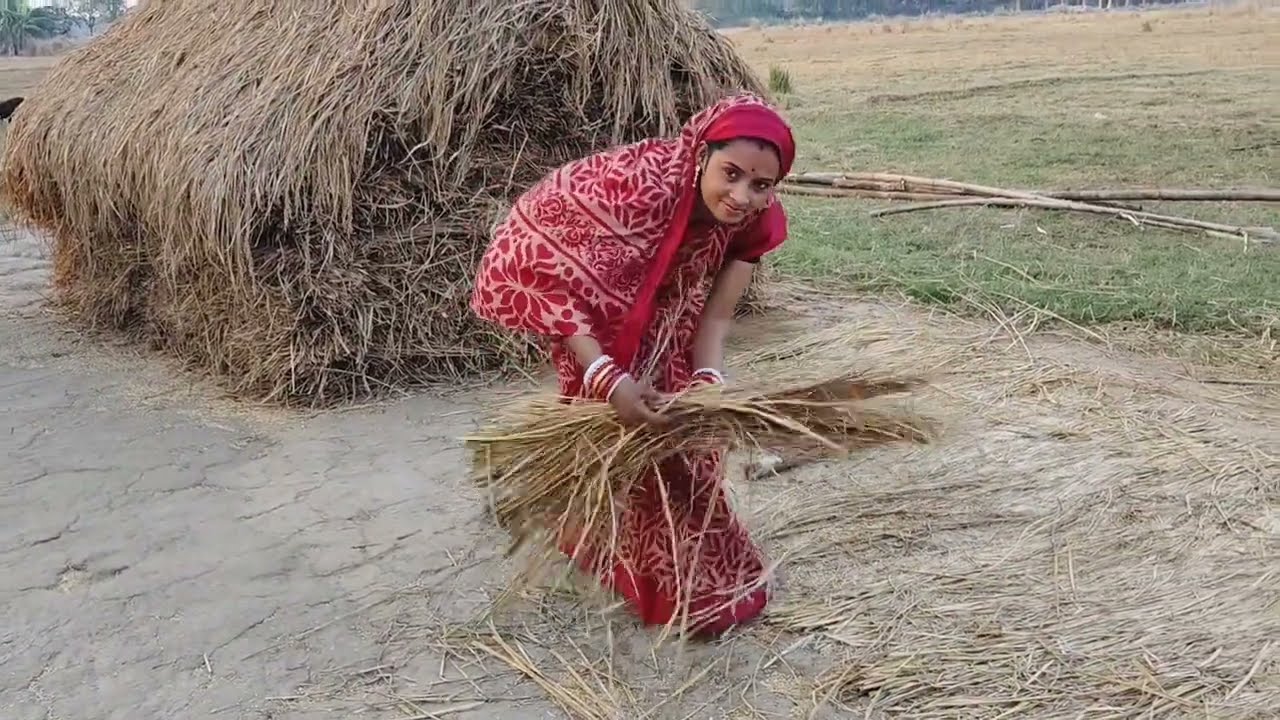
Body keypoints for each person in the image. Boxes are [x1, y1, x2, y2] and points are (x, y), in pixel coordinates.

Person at [470, 93, 796, 637]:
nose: (742, 196)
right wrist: (606, 377)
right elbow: (541, 252)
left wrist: (709, 381)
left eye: (761, 185)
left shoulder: (753, 223)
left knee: (682, 449)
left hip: (673, 329)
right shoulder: (632, 186)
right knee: (625, 449)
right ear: (700, 156)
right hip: (593, 327)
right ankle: (642, 577)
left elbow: (716, 316)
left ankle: (691, 580)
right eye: (731, 174)